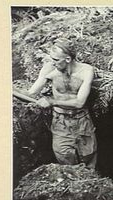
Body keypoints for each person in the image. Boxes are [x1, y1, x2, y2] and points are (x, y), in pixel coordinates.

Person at [21, 37, 97, 169]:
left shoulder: (85, 71)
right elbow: (31, 93)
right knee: (65, 159)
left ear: (67, 59)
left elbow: (80, 102)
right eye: (51, 58)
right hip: (60, 123)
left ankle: (93, 184)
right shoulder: (49, 69)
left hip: (82, 122)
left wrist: (51, 101)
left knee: (89, 157)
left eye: (56, 60)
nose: (52, 63)